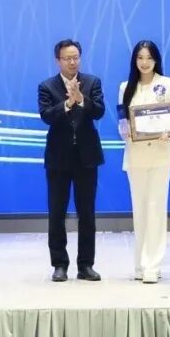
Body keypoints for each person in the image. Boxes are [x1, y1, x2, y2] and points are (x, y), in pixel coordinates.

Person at [38, 39, 105, 282]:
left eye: (76, 57)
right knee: (57, 213)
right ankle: (59, 264)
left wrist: (81, 99)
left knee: (87, 213)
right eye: (67, 58)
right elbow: (46, 116)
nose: (72, 62)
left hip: (87, 157)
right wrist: (67, 103)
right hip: (58, 158)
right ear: (58, 60)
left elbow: (99, 111)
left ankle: (86, 265)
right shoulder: (47, 86)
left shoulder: (92, 82)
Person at [117, 40, 170, 283]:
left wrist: (168, 132)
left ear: (156, 60)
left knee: (156, 208)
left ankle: (152, 265)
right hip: (135, 156)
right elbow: (122, 122)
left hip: (161, 155)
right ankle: (140, 264)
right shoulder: (125, 87)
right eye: (140, 57)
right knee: (140, 210)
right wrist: (126, 132)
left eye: (149, 58)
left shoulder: (168, 84)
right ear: (134, 60)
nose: (145, 62)